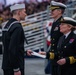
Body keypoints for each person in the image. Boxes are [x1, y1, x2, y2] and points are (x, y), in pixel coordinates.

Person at [26, 1, 67, 75]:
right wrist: (47, 54)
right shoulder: (55, 22)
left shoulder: (63, 24)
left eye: (53, 10)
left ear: (59, 11)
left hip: (60, 58)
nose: (51, 12)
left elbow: (64, 43)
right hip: (54, 58)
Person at [2, 3, 27, 75]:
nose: (26, 14)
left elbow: (8, 46)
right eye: (24, 11)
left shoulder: (7, 25)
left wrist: (24, 51)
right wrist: (16, 69)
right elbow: (12, 49)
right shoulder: (17, 27)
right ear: (19, 12)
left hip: (7, 65)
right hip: (14, 67)